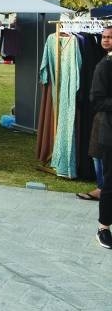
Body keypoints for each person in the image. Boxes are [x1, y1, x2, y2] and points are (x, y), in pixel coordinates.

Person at [91, 27, 112, 248]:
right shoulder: (104, 66)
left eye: (110, 37)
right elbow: (96, 101)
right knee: (110, 184)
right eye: (105, 37)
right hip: (110, 133)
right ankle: (103, 228)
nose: (106, 41)